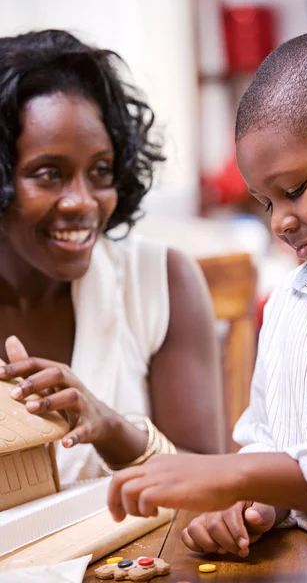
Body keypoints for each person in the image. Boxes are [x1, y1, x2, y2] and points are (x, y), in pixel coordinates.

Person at [107, 29, 307, 582]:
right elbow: (268, 438)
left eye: (294, 190)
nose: (279, 223)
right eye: (265, 202)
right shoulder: (289, 303)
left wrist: (236, 476)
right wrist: (259, 502)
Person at [0, 29, 225, 486]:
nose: (83, 201)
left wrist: (110, 428)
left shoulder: (161, 281)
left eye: (101, 171)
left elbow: (213, 481)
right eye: (49, 174)